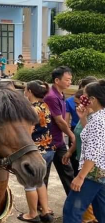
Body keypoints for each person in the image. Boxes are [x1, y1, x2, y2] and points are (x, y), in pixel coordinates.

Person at [63, 80, 105, 222]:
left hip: (92, 172)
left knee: (72, 210)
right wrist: (83, 118)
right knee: (102, 210)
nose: (82, 98)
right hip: (100, 172)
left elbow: (94, 151)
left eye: (85, 96)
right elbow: (90, 137)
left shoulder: (99, 120)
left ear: (93, 99)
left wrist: (80, 177)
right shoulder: (99, 116)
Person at [18, 80, 54, 223]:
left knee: (30, 184)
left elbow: (28, 133)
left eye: (25, 89)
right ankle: (45, 211)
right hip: (48, 149)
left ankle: (32, 214)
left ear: (30, 92)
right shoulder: (45, 106)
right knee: (40, 182)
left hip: (36, 152)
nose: (24, 91)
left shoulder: (31, 110)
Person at [43, 66, 76, 194]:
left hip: (58, 141)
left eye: (70, 80)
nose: (70, 82)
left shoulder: (61, 94)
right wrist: (71, 135)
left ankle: (74, 203)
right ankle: (42, 207)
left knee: (67, 172)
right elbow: (59, 120)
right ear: (57, 80)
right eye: (67, 80)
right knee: (44, 175)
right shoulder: (51, 96)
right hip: (48, 142)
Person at [66, 76, 99, 175]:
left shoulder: (98, 118)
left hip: (92, 168)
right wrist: (70, 151)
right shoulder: (84, 115)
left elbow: (94, 147)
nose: (77, 106)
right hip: (82, 160)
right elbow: (82, 135)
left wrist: (81, 176)